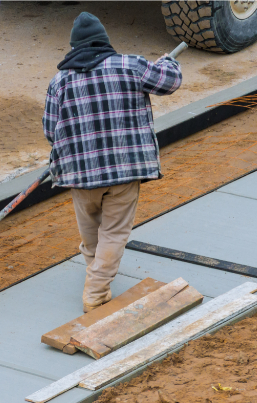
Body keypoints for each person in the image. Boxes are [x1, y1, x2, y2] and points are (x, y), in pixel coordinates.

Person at [43, 12, 182, 313]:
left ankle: (97, 280)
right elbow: (170, 82)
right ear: (104, 42)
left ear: (74, 47)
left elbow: (49, 131)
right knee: (114, 234)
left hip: (79, 177)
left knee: (92, 236)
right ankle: (95, 292)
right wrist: (167, 62)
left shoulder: (60, 82)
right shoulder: (130, 66)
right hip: (124, 171)